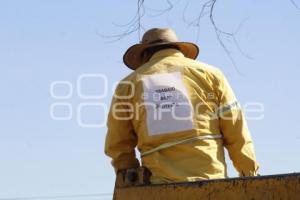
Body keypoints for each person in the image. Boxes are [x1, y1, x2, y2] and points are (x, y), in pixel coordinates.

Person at [105, 28, 259, 184]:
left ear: (145, 54)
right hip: (212, 182)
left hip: (158, 187)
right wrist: (249, 174)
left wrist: (130, 177)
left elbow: (118, 143)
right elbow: (236, 129)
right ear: (178, 49)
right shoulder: (211, 75)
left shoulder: (128, 85)